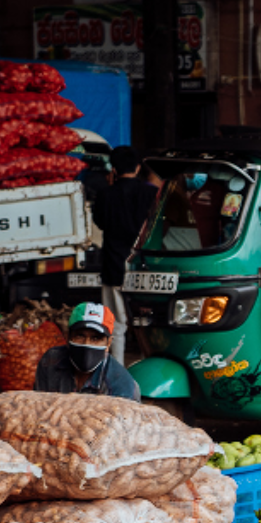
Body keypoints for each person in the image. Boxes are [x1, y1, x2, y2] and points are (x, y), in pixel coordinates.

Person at [91, 146, 157, 364]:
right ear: (138, 168)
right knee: (148, 321)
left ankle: (116, 369)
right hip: (144, 266)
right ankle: (148, 368)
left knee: (115, 324)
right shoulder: (150, 194)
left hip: (113, 265)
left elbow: (100, 222)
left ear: (114, 169)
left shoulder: (104, 194)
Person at [33, 302, 140, 400]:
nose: (86, 344)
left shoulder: (121, 384)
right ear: (67, 337)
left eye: (96, 338)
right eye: (80, 336)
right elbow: (39, 406)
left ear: (108, 343)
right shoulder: (51, 361)